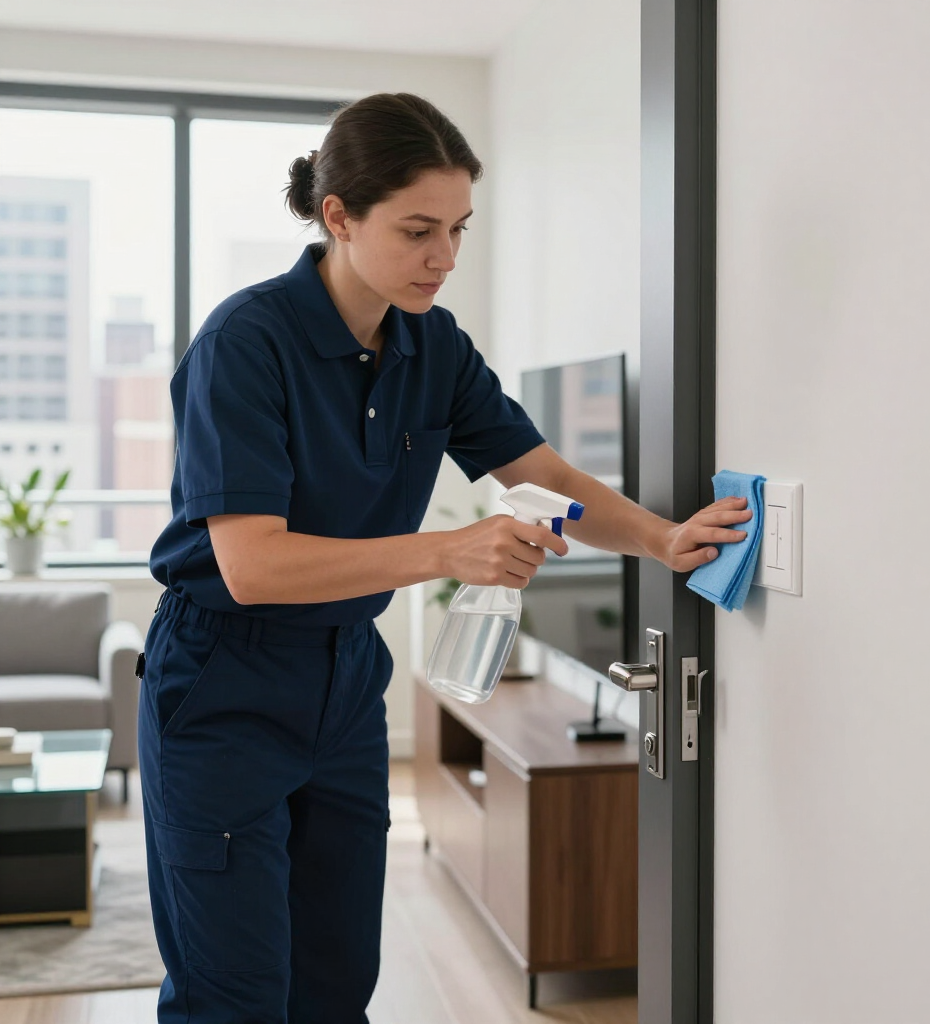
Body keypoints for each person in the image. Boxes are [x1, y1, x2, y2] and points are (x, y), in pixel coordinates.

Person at [139, 92, 751, 1024]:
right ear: (337, 215)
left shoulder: (433, 344)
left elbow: (538, 469)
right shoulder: (246, 343)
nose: (446, 258)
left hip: (344, 679)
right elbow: (251, 566)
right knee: (237, 996)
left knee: (337, 983)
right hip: (222, 681)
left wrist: (664, 540)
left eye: (460, 229)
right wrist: (449, 551)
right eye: (420, 229)